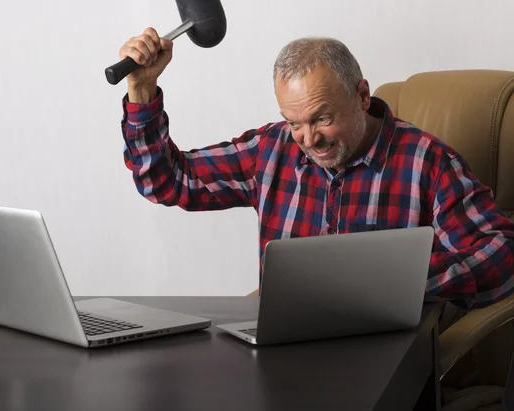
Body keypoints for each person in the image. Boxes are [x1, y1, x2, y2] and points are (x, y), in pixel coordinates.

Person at [118, 27, 514, 312]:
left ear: (362, 96)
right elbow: (167, 182)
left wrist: (398, 279)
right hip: (284, 356)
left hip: (379, 360)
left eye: (322, 118)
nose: (308, 139)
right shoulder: (272, 150)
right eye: (294, 122)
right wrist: (141, 89)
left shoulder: (427, 162)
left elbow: (502, 253)